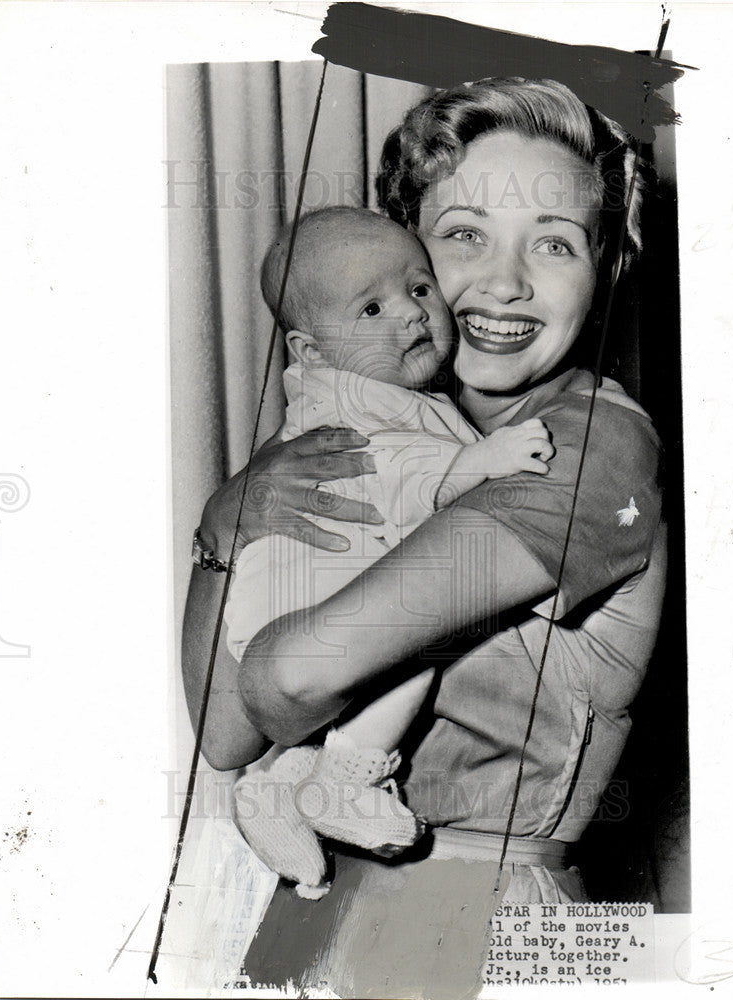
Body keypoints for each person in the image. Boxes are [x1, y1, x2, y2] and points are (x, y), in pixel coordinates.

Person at [181, 77, 668, 995]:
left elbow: (289, 679)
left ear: (603, 272)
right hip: (318, 913)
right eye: (463, 234)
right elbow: (222, 736)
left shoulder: (587, 446)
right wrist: (224, 527)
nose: (504, 283)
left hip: (485, 930)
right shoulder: (401, 428)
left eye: (554, 245)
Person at [225, 205, 555, 897]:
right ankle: (346, 779)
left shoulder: (375, 389)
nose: (409, 314)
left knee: (399, 639)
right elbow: (389, 465)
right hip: (306, 593)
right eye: (371, 308)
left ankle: (280, 784)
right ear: (310, 352)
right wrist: (485, 459)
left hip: (300, 599)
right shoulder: (349, 403)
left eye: (418, 289)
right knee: (421, 639)